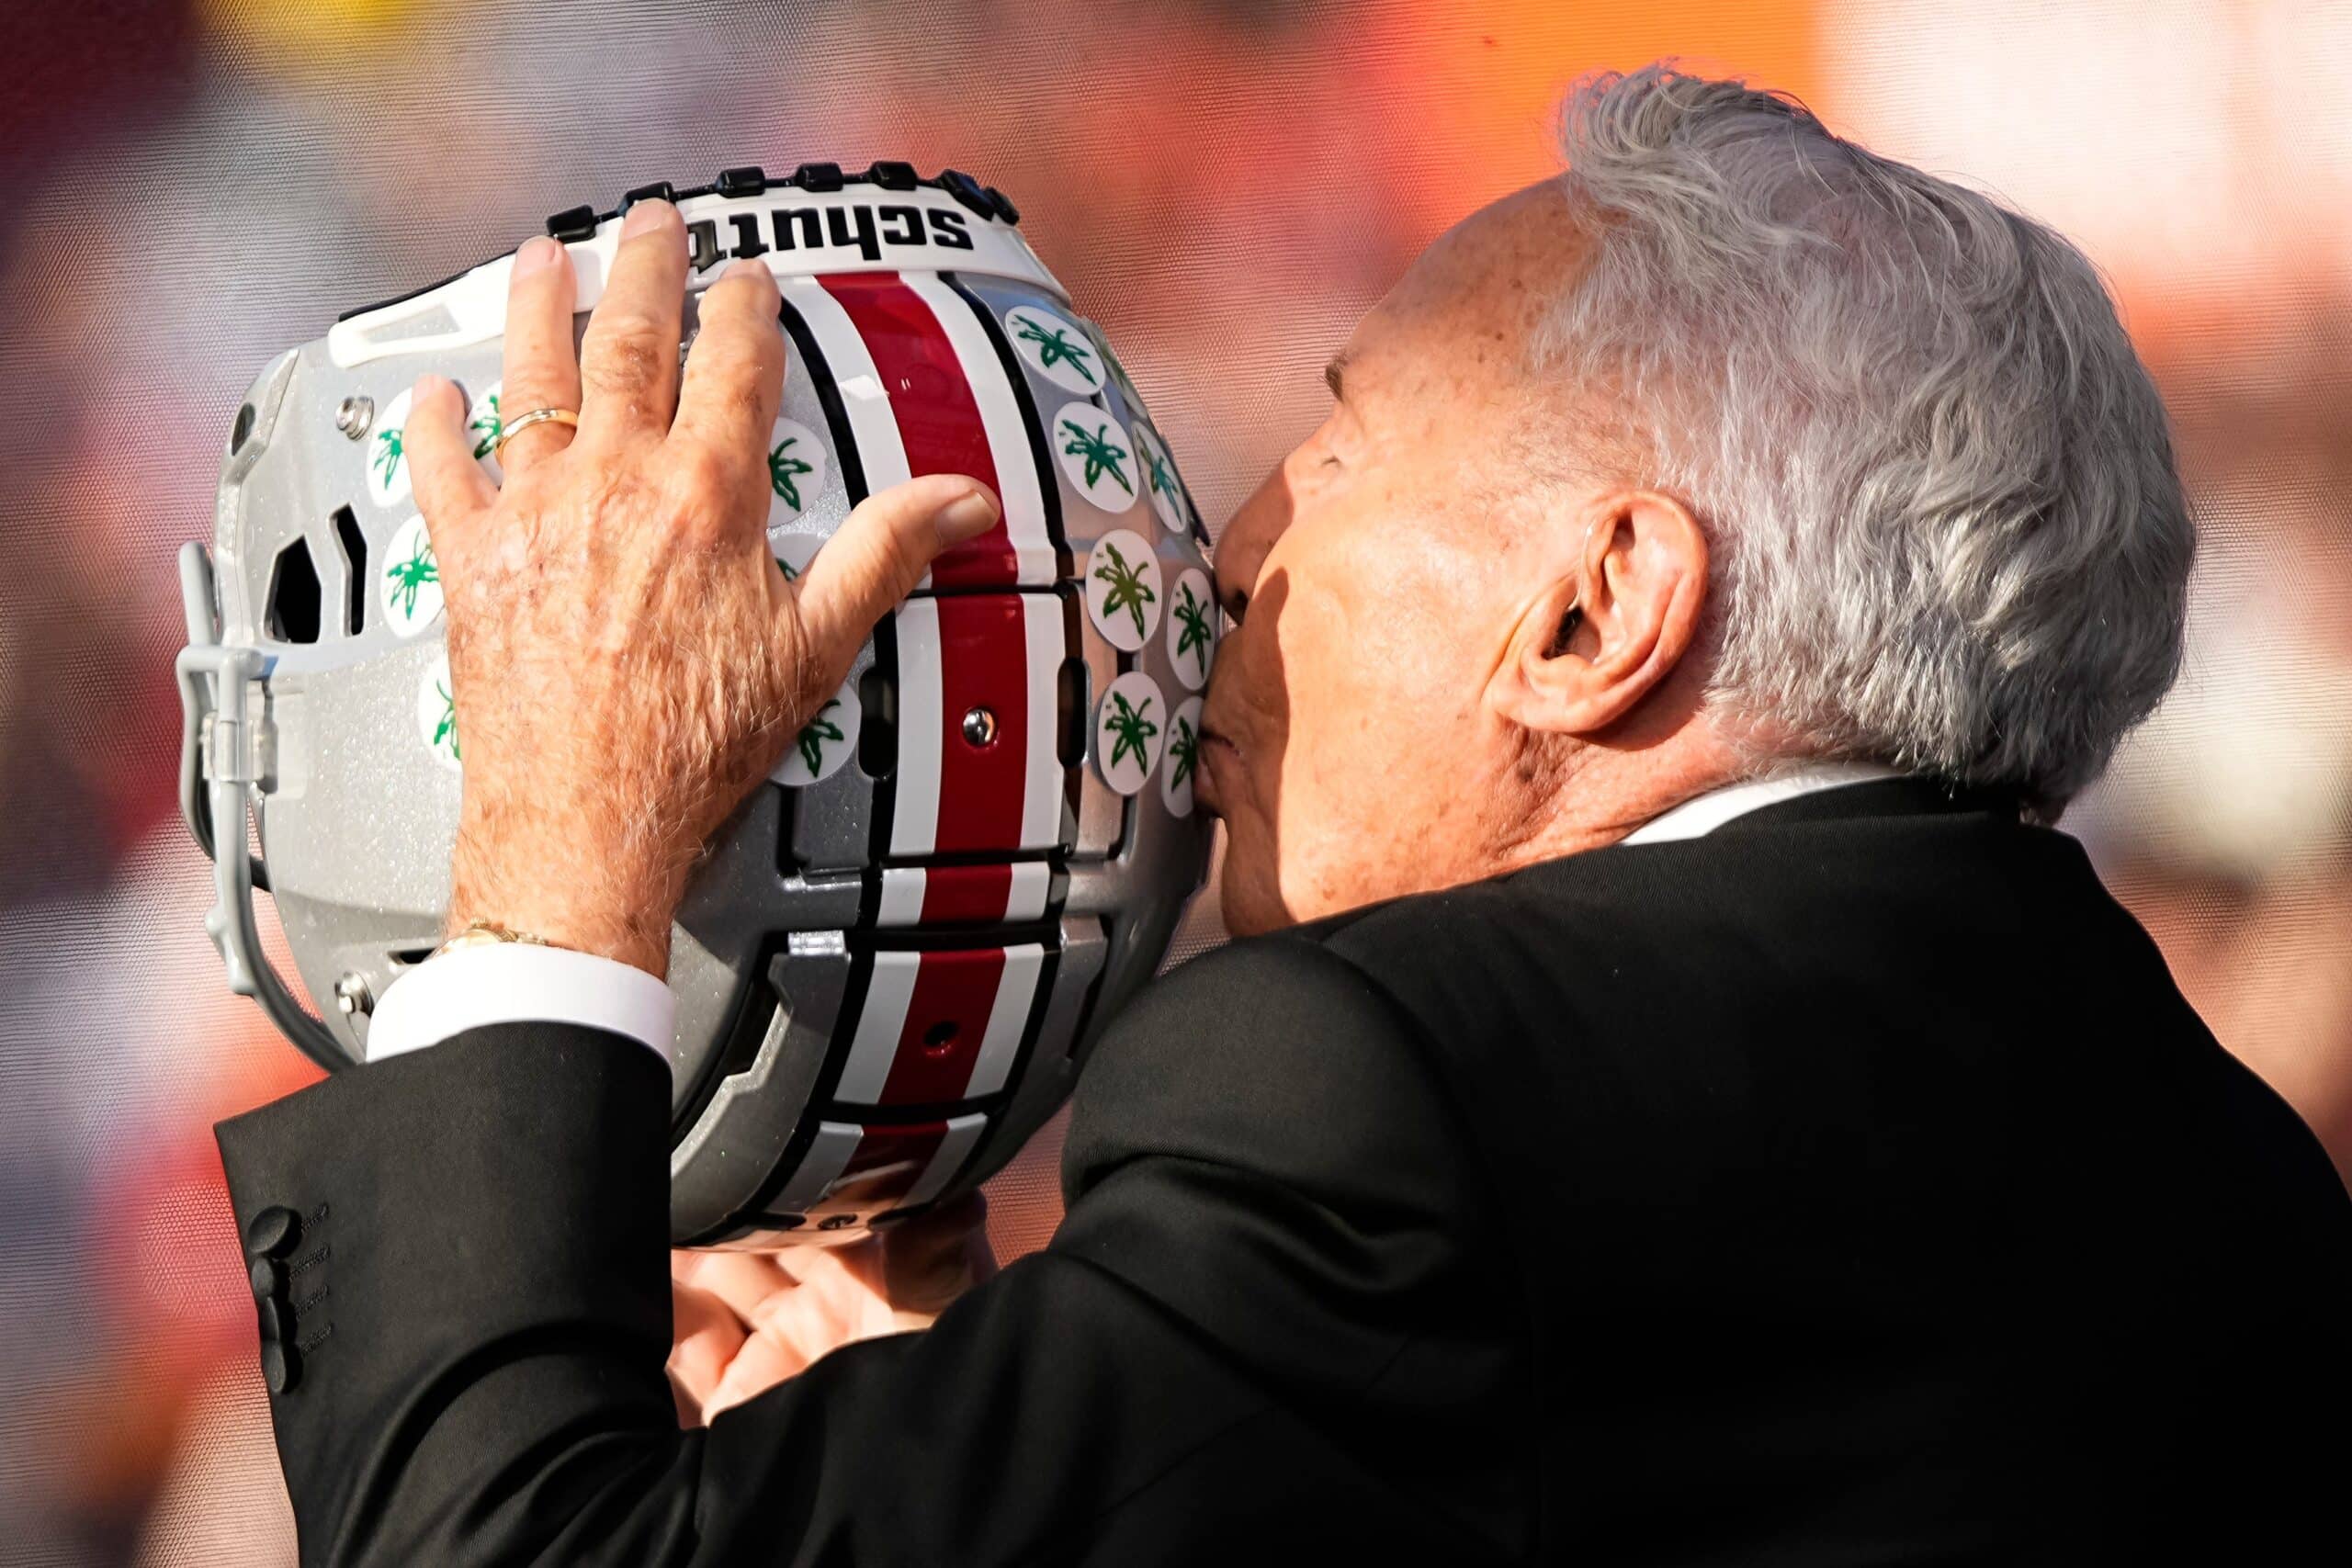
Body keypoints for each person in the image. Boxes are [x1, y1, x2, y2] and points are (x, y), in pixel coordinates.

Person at [215, 67, 2352, 1563]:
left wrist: (562, 826)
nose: (1230, 557)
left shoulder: (1387, 1088)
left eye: (1336, 451)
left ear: (1596, 608)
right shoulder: (2203, 1142)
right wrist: (1054, 1441)